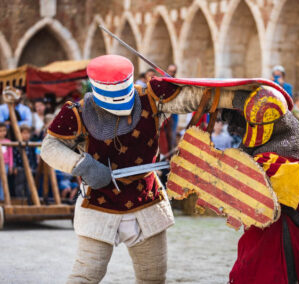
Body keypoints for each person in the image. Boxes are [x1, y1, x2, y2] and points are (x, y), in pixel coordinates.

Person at [40, 54, 241, 283]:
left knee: (153, 278)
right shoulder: (77, 112)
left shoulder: (151, 98)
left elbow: (194, 97)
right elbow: (50, 146)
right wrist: (82, 166)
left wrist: (234, 97)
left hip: (146, 199)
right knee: (86, 275)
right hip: (99, 202)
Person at [223, 85, 299, 284]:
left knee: (267, 274)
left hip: (280, 226)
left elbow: (258, 189)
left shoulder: (279, 157)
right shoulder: (289, 145)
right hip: (269, 224)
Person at [13, 124, 37, 199]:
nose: (26, 135)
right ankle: (20, 199)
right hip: (20, 168)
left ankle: (29, 199)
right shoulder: (16, 144)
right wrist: (15, 167)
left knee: (29, 185)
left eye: (27, 133)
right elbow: (14, 157)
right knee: (19, 184)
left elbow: (33, 157)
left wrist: (33, 167)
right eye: (24, 133)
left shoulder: (31, 144)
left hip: (30, 168)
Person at [0, 123, 12, 201]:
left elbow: (11, 155)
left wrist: (11, 165)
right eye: (0, 131)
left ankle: (2, 198)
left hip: (5, 164)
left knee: (3, 181)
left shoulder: (8, 141)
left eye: (4, 130)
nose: (2, 132)